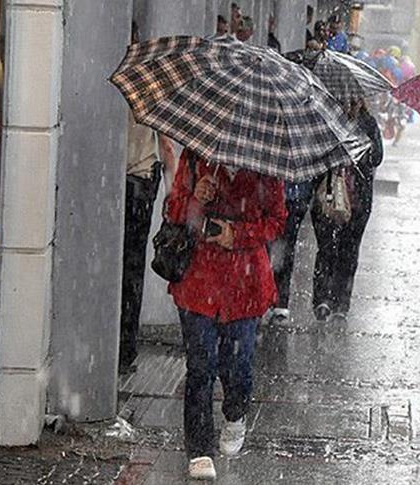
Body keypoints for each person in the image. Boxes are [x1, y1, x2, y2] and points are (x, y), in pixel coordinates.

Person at [165, 149, 286, 480]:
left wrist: (238, 235)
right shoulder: (195, 158)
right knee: (200, 366)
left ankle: (236, 412)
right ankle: (199, 448)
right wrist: (194, 198)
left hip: (245, 286)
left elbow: (277, 221)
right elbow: (174, 210)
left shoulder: (267, 165)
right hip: (198, 282)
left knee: (239, 365)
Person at [271, 99, 381, 322]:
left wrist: (355, 151)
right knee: (326, 249)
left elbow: (376, 157)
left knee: (349, 252)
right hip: (327, 195)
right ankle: (321, 300)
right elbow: (316, 154)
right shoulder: (326, 119)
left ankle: (341, 302)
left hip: (358, 199)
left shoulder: (368, 124)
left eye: (354, 97)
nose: (350, 102)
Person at [119, 21, 177, 375]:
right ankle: (125, 348)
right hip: (141, 182)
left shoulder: (107, 80)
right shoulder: (149, 82)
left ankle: (114, 344)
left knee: (115, 266)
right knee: (132, 266)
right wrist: (173, 191)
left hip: (113, 184)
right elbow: (166, 144)